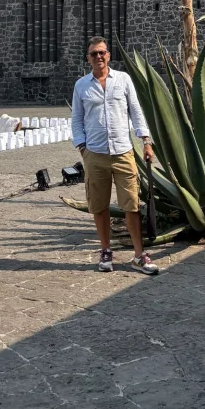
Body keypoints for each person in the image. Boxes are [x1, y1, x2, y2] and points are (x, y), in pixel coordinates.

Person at [71, 35, 159, 275]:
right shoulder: (81, 85)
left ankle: (139, 255)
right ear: (88, 58)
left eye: (102, 52)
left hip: (123, 152)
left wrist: (146, 142)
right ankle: (106, 251)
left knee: (130, 205)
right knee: (99, 207)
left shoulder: (123, 79)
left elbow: (136, 111)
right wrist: (83, 148)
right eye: (94, 54)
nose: (98, 57)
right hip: (95, 154)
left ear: (108, 55)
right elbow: (77, 119)